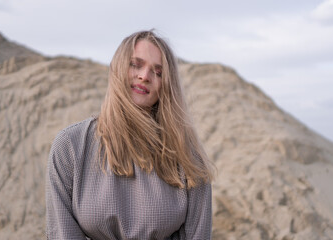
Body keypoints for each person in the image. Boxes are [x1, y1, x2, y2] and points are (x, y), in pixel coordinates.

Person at [46, 30, 214, 240]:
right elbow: (62, 234)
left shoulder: (186, 155)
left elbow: (198, 235)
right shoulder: (70, 145)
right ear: (117, 68)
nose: (145, 76)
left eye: (158, 72)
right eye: (136, 64)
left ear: (166, 85)